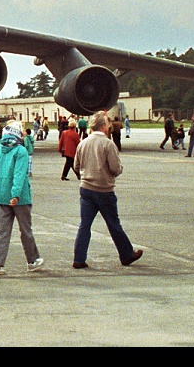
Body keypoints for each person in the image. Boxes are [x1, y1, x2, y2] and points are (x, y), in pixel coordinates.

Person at [72, 111, 143, 269]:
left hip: (86, 189)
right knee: (113, 224)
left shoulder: (82, 143)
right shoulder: (108, 144)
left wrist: (84, 176)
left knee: (85, 225)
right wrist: (119, 170)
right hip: (104, 190)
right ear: (103, 126)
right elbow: (114, 168)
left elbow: (76, 166)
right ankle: (126, 254)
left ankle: (79, 258)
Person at [0, 121, 44, 275]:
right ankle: (32, 260)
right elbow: (19, 174)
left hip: (2, 196)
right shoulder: (20, 151)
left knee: (2, 231)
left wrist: (1, 182)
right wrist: (15, 194)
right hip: (20, 198)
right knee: (25, 230)